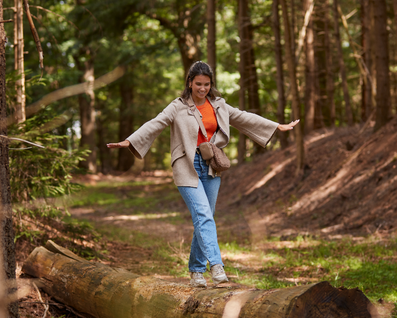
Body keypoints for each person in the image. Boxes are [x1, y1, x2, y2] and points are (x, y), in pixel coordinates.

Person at [107, 61, 299, 288]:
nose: (202, 88)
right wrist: (130, 140)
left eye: (207, 84)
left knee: (205, 217)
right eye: (198, 84)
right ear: (189, 83)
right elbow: (155, 123)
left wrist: (276, 126)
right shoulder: (177, 106)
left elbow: (243, 117)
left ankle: (196, 271)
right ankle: (217, 266)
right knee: (204, 215)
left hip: (211, 165)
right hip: (186, 165)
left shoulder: (218, 105)